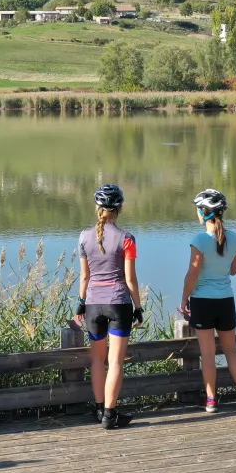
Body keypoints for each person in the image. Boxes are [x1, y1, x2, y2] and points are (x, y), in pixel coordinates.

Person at [179, 189, 236, 414]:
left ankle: (211, 400)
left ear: (204, 213)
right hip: (225, 301)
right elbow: (233, 270)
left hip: (202, 302)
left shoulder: (199, 240)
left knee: (208, 354)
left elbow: (192, 274)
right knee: (232, 350)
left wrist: (184, 299)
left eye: (198, 210)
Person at [75, 184, 143, 429]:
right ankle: (110, 414)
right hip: (118, 304)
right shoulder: (127, 239)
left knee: (97, 360)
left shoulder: (83, 237)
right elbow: (130, 279)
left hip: (92, 304)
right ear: (119, 208)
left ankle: (98, 408)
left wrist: (81, 303)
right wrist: (138, 306)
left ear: (98, 208)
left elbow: (84, 277)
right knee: (115, 362)